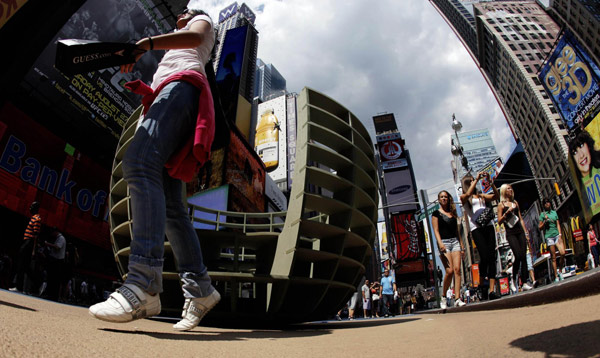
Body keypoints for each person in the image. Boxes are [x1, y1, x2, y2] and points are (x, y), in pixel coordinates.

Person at [89, 8, 220, 331]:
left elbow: (196, 36)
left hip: (181, 89)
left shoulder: (199, 23)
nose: (183, 12)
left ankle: (144, 283)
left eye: (189, 10)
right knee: (173, 207)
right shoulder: (174, 47)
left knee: (138, 162)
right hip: (171, 94)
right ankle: (201, 289)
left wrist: (144, 43)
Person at [460, 172, 500, 300]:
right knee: (484, 257)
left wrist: (490, 182)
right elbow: (466, 195)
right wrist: (476, 179)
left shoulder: (481, 196)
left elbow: (496, 196)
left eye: (474, 180)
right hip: (476, 229)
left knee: (492, 257)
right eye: (471, 181)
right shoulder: (465, 198)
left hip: (488, 225)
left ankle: (492, 290)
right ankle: (482, 286)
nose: (474, 183)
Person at [432, 190, 466, 308]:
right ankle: (444, 296)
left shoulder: (453, 213)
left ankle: (457, 298)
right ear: (439, 199)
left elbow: (457, 231)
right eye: (441, 197)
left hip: (455, 241)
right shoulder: (436, 213)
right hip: (444, 243)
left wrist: (462, 246)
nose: (444, 199)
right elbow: (436, 230)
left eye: (445, 197)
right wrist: (440, 243)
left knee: (457, 270)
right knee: (449, 271)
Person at [498, 184, 533, 292]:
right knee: (517, 255)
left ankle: (525, 282)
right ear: (504, 191)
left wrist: (525, 232)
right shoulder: (501, 205)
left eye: (511, 188)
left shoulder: (515, 203)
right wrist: (506, 213)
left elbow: (520, 218)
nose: (510, 190)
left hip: (520, 231)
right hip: (510, 232)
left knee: (523, 256)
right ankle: (513, 278)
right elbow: (499, 221)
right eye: (508, 188)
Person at [10, 202, 42, 293]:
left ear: (35, 208)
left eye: (32, 206)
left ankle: (19, 287)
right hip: (27, 242)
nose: (30, 208)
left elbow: (36, 235)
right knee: (26, 267)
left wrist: (33, 250)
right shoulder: (33, 218)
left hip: (29, 242)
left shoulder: (37, 219)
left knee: (21, 264)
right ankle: (37, 283)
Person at [538, 198, 565, 282]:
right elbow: (540, 227)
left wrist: (560, 235)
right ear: (544, 205)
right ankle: (556, 276)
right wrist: (545, 221)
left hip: (556, 235)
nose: (547, 204)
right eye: (545, 203)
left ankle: (560, 271)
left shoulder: (554, 212)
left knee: (562, 253)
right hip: (549, 237)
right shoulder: (542, 215)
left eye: (548, 202)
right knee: (553, 257)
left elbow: (558, 224)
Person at [44, 228, 67, 301]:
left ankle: (53, 296)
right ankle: (51, 295)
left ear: (55, 232)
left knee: (54, 279)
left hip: (57, 261)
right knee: (53, 278)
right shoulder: (59, 238)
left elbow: (57, 247)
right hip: (56, 260)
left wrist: (48, 244)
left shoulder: (61, 238)